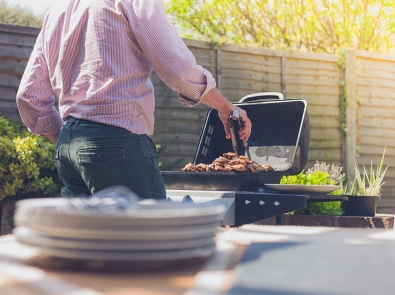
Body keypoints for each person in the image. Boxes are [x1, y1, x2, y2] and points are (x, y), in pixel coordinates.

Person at [16, 0, 252, 200]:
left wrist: (72, 140)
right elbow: (178, 69)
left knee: (94, 246)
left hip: (68, 148)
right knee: (155, 239)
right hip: (116, 143)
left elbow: (29, 97)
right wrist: (225, 106)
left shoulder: (58, 11)